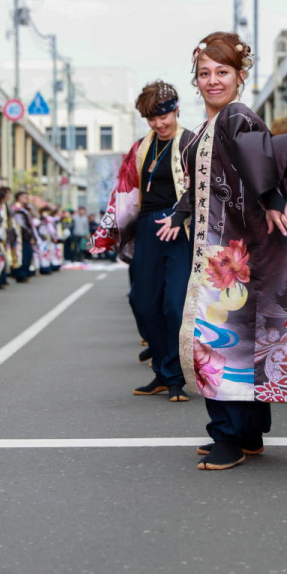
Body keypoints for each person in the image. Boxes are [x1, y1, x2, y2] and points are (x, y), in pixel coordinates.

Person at [156, 32, 287, 469]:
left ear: (240, 76)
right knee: (242, 341)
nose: (213, 81)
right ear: (195, 80)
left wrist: (272, 200)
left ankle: (229, 438)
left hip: (230, 253)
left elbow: (258, 157)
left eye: (223, 72)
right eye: (205, 74)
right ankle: (247, 433)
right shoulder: (209, 128)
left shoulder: (236, 116)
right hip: (230, 249)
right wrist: (179, 214)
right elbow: (202, 185)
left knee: (217, 344)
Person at [92, 80, 192, 402]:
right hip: (149, 226)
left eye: (164, 115)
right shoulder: (140, 147)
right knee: (143, 302)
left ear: (176, 109)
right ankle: (162, 373)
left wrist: (180, 214)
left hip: (182, 228)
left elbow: (205, 185)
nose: (160, 123)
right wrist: (110, 232)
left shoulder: (191, 143)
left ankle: (175, 376)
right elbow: (123, 193)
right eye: (152, 118)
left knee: (175, 305)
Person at [10, 190, 37, 282]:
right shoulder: (16, 209)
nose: (26, 199)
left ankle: (25, 273)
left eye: (27, 197)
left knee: (27, 255)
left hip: (26, 236)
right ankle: (20, 275)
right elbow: (22, 225)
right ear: (18, 198)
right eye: (24, 197)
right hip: (20, 237)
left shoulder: (26, 209)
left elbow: (31, 224)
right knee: (22, 256)